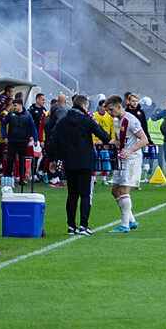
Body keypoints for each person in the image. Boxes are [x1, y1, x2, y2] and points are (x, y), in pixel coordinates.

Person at [51, 94, 110, 236]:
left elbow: (53, 142)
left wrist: (55, 159)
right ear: (84, 106)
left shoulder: (63, 121)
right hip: (85, 162)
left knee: (72, 195)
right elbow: (105, 137)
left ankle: (71, 225)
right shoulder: (87, 120)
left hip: (69, 162)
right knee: (85, 194)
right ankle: (84, 225)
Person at [106, 94, 145, 232]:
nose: (109, 113)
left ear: (119, 106)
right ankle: (131, 220)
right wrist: (108, 143)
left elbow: (143, 139)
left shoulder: (131, 120)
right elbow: (119, 141)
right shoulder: (116, 121)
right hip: (120, 157)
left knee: (123, 190)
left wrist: (130, 150)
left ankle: (124, 225)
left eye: (111, 110)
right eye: (107, 111)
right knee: (114, 190)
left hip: (132, 158)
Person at [3, 97, 36, 185]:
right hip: (12, 141)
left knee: (22, 161)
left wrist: (35, 138)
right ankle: (8, 179)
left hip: (23, 141)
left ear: (21, 105)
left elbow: (33, 127)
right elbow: (3, 125)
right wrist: (4, 137)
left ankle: (21, 179)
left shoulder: (28, 115)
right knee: (10, 160)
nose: (14, 107)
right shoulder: (10, 114)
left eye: (15, 105)